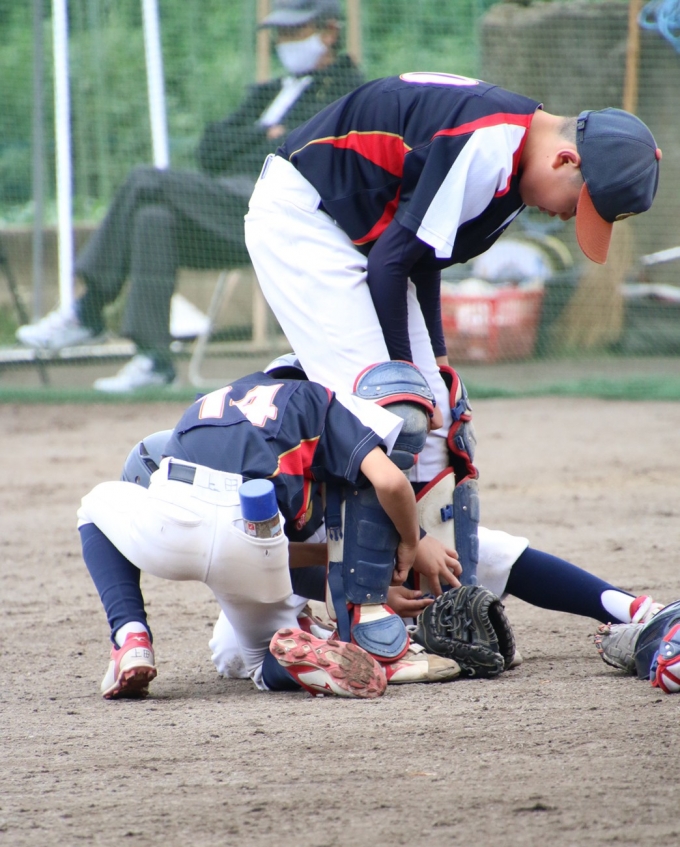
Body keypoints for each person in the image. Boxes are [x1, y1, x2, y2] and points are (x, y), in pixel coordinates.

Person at [243, 72, 662, 578]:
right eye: (579, 205)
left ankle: (434, 595)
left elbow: (422, 257)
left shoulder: (514, 161)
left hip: (353, 233)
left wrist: (436, 362)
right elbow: (391, 262)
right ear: (565, 160)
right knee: (390, 416)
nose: (568, 218)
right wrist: (404, 379)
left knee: (437, 415)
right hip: (304, 217)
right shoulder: (489, 145)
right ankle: (360, 598)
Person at [17, 0, 363, 393]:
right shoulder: (270, 91)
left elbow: (295, 151)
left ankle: (89, 310)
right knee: (153, 219)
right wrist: (263, 135)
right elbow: (210, 150)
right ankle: (154, 361)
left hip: (284, 213)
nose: (284, 41)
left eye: (294, 31)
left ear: (329, 32)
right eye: (280, 33)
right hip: (228, 212)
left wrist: (259, 140)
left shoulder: (347, 90)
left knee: (146, 180)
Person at [78, 361, 467, 701]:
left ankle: (131, 637)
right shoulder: (316, 399)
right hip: (255, 531)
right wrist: (410, 542)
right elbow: (391, 482)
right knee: (260, 661)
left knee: (93, 506)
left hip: (175, 510)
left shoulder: (210, 402)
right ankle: (310, 655)